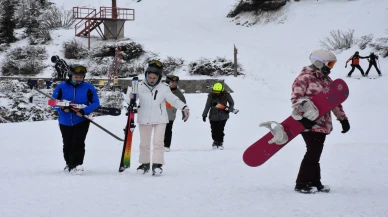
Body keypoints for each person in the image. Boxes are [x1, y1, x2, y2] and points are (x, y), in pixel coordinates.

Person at [291, 49, 350, 193]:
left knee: (314, 153)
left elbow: (334, 101)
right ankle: (301, 183)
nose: (330, 67)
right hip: (308, 123)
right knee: (313, 153)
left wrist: (343, 119)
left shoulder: (325, 79)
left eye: (332, 64)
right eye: (329, 63)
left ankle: (315, 182)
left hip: (323, 123)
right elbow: (296, 100)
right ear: (319, 62)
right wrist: (302, 118)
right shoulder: (304, 78)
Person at [129, 60, 190, 175]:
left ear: (158, 77)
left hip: (160, 119)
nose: (151, 80)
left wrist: (184, 107)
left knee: (158, 143)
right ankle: (144, 164)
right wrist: (130, 97)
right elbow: (129, 100)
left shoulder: (164, 88)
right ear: (146, 75)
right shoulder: (138, 85)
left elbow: (174, 99)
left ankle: (157, 165)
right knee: (144, 143)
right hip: (144, 118)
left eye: (154, 78)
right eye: (150, 77)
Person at [51, 64, 100, 174]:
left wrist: (84, 111)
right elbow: (53, 102)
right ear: (70, 75)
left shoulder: (89, 87)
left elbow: (96, 103)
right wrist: (62, 108)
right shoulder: (61, 87)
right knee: (67, 143)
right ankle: (69, 164)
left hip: (82, 120)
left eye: (80, 77)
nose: (78, 79)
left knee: (78, 142)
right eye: (76, 77)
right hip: (64, 121)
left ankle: (78, 164)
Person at [202, 82, 234, 150]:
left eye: (218, 92)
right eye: (215, 91)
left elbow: (231, 103)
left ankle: (220, 142)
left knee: (220, 129)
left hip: (223, 116)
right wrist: (204, 114)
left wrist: (229, 109)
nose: (216, 93)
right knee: (213, 130)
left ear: (221, 90)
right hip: (213, 116)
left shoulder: (226, 94)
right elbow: (207, 105)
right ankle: (215, 141)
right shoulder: (211, 95)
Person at [163, 74, 186, 152]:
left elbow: (183, 103)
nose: (174, 83)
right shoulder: (162, 90)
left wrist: (184, 113)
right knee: (160, 130)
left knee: (168, 130)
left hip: (171, 115)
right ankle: (160, 145)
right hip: (161, 114)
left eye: (175, 82)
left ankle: (166, 146)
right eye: (172, 82)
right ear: (168, 82)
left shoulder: (178, 92)